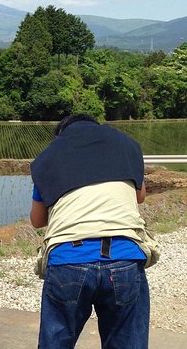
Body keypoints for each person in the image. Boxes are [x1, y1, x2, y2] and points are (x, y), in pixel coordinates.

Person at [29, 114, 151, 349]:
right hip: (123, 256)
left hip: (68, 260)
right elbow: (140, 196)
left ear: (61, 134)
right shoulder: (125, 144)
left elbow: (37, 220)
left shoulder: (50, 156)